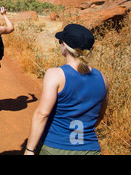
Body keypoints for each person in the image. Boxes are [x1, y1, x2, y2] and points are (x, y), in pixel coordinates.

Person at [24, 24, 109, 155]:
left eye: (60, 42)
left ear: (64, 46)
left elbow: (42, 114)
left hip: (55, 146)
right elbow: (99, 116)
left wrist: (29, 150)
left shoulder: (55, 74)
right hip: (89, 148)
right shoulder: (102, 78)